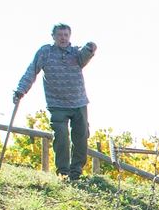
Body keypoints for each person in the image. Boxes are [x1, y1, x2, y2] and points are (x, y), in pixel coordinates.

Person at [13, 23, 97, 181]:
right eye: (60, 35)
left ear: (70, 36)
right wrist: (20, 90)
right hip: (57, 104)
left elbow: (84, 58)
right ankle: (63, 173)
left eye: (66, 35)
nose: (63, 38)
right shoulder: (45, 52)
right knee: (61, 138)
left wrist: (90, 49)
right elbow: (32, 71)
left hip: (79, 102)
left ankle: (76, 172)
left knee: (81, 138)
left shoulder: (75, 53)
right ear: (53, 37)